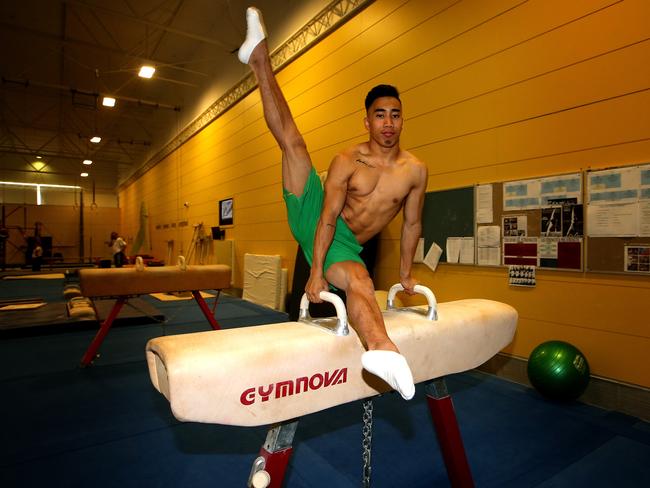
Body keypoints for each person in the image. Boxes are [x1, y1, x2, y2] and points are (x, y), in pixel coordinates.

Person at [239, 7, 426, 400]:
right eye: (380, 116)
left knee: (361, 280)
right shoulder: (346, 161)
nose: (388, 123)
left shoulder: (414, 171)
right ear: (367, 122)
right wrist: (316, 271)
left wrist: (407, 274)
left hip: (347, 243)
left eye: (395, 115)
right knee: (293, 143)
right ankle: (384, 350)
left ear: (403, 121)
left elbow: (412, 225)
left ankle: (255, 61)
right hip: (322, 221)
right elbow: (327, 215)